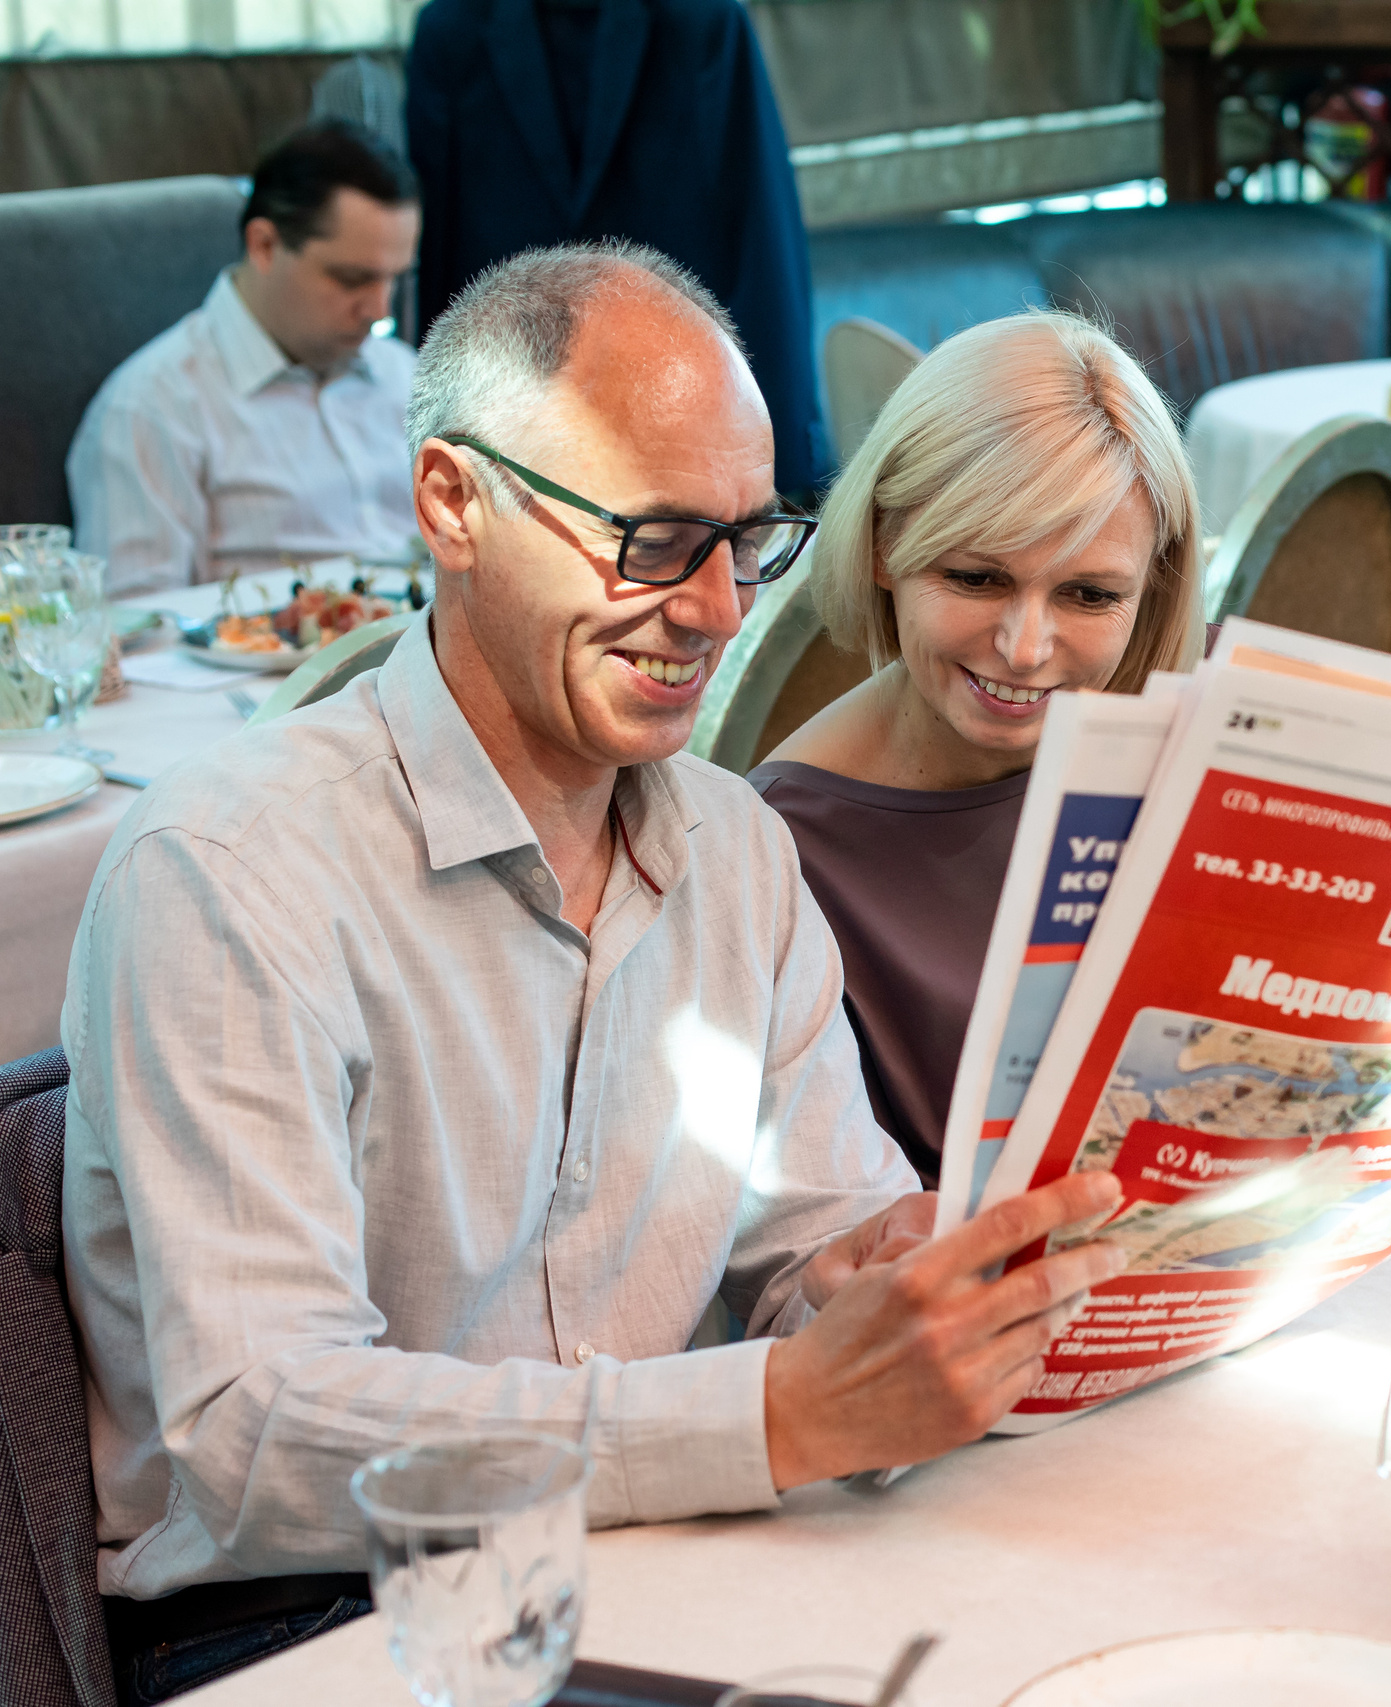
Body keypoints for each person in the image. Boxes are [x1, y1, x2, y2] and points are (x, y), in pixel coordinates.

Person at [60, 241, 1125, 1702]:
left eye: (749, 542)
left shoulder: (738, 851)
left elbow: (813, 1236)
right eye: (653, 539)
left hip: (656, 1564)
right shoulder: (230, 868)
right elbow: (257, 1428)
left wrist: (890, 1281)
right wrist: (772, 1414)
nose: (718, 610)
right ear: (453, 501)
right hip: (306, 1624)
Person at [749, 312, 1204, 1184]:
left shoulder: (1217, 723)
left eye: (1089, 593)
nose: (1027, 647)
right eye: (976, 577)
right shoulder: (783, 849)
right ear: (884, 545)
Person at [406, 0, 830, 499]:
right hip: (515, 405)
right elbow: (436, 246)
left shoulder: (704, 22)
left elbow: (760, 231)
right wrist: (435, 422)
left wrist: (786, 452)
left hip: (679, 399)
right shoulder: (451, 32)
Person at [67, 120, 423, 595]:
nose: (379, 311)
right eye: (351, 279)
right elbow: (138, 632)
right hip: (282, 664)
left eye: (394, 279)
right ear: (264, 245)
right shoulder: (154, 407)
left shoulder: (408, 374)